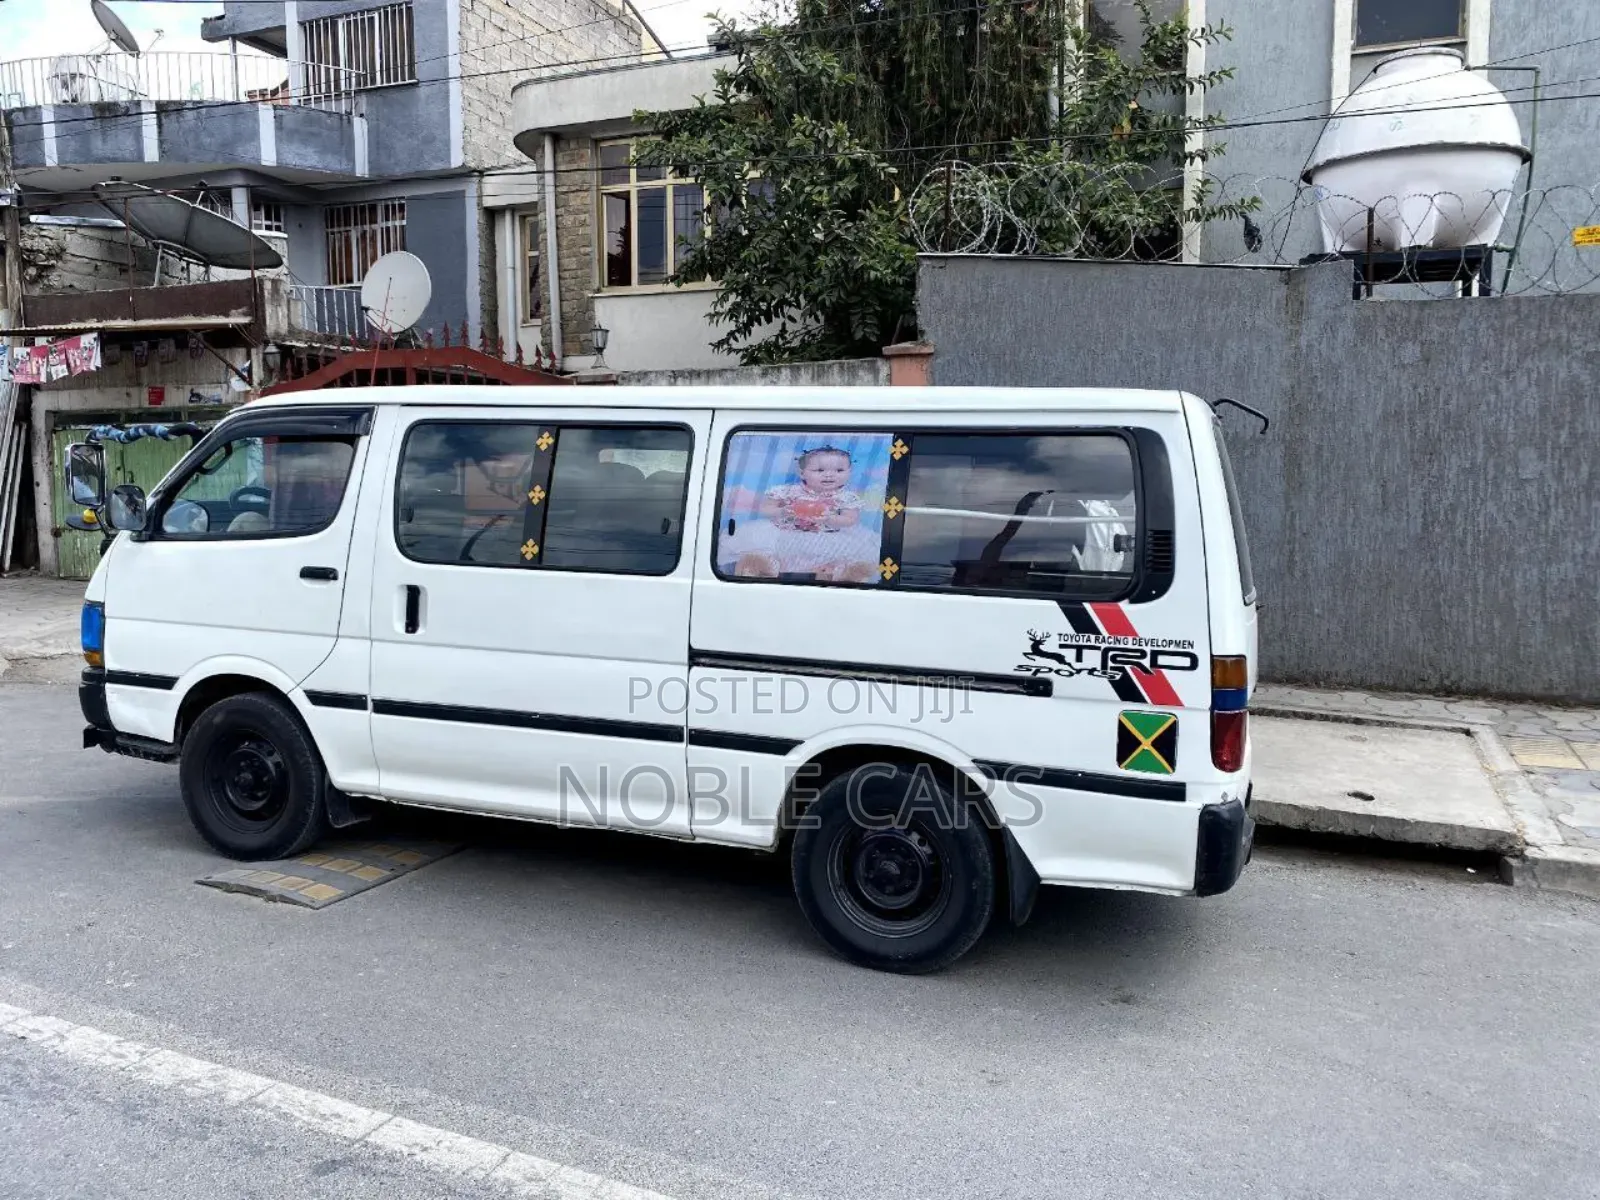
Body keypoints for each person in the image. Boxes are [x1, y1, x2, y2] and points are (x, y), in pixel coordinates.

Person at [730, 446, 882, 582]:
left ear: (849, 473)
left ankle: (839, 575)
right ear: (802, 473)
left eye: (839, 470)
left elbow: (850, 519)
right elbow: (766, 509)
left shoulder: (846, 497)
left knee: (839, 557)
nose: (829, 475)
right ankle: (762, 568)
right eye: (820, 470)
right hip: (785, 533)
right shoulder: (789, 491)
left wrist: (831, 518)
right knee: (766, 550)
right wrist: (783, 511)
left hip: (828, 536)